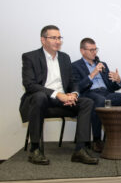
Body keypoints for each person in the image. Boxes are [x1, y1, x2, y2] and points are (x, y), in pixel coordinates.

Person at [20, 25, 98, 165]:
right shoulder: (30, 57)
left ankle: (80, 150)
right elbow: (30, 85)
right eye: (53, 38)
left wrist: (73, 94)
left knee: (87, 102)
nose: (58, 41)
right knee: (39, 96)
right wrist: (58, 94)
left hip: (62, 101)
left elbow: (72, 82)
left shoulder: (64, 58)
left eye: (59, 38)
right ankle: (35, 150)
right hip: (42, 100)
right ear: (43, 40)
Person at [72, 38, 121, 152]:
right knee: (100, 101)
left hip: (106, 93)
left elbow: (112, 86)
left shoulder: (102, 64)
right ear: (82, 51)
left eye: (95, 49)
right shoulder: (75, 66)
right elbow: (77, 87)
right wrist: (92, 74)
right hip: (89, 94)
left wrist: (117, 80)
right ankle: (97, 140)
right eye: (91, 50)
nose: (94, 52)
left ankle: (119, 137)